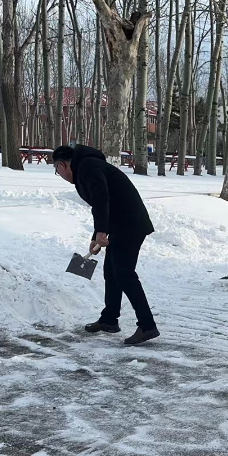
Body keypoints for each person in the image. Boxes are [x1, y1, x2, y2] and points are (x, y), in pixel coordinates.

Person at [53, 144, 159, 345]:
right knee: (111, 271)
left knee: (124, 273)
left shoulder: (87, 166)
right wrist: (97, 236)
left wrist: (101, 230)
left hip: (130, 223)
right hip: (123, 223)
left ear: (61, 165)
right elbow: (103, 203)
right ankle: (110, 319)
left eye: (56, 171)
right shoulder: (87, 166)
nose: (59, 174)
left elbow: (102, 198)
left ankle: (147, 325)